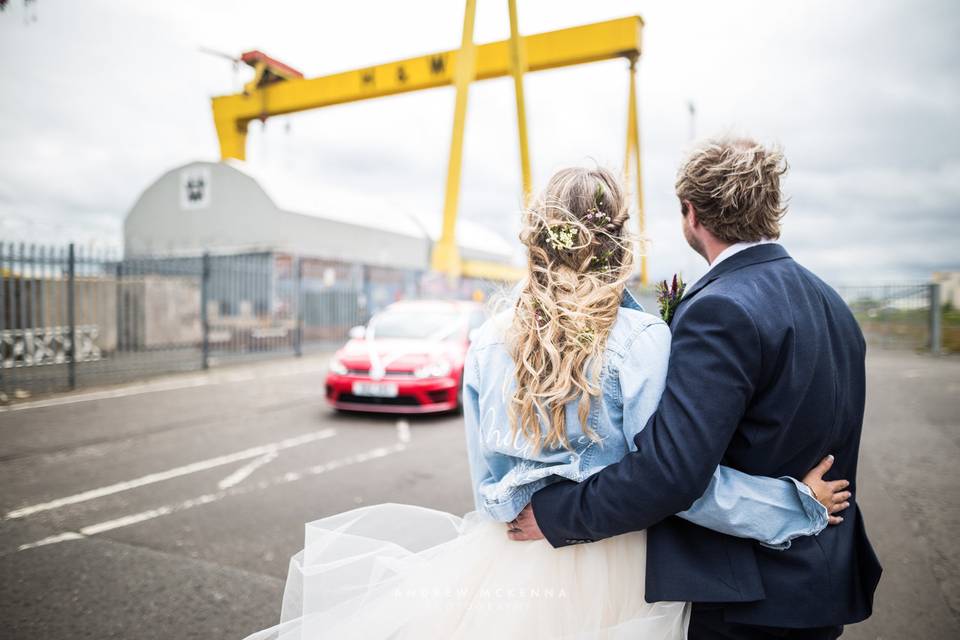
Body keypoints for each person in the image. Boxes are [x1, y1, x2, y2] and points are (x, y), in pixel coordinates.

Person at [242, 164, 852, 640]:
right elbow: (676, 481)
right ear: (617, 241)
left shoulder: (488, 340)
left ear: (540, 237)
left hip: (508, 558)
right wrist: (790, 506)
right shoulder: (642, 341)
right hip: (618, 566)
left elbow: (487, 487)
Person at [510, 140, 883, 639]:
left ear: (690, 214)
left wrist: (557, 515)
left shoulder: (720, 308)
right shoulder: (833, 305)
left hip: (744, 595)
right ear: (773, 206)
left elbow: (672, 472)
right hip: (822, 583)